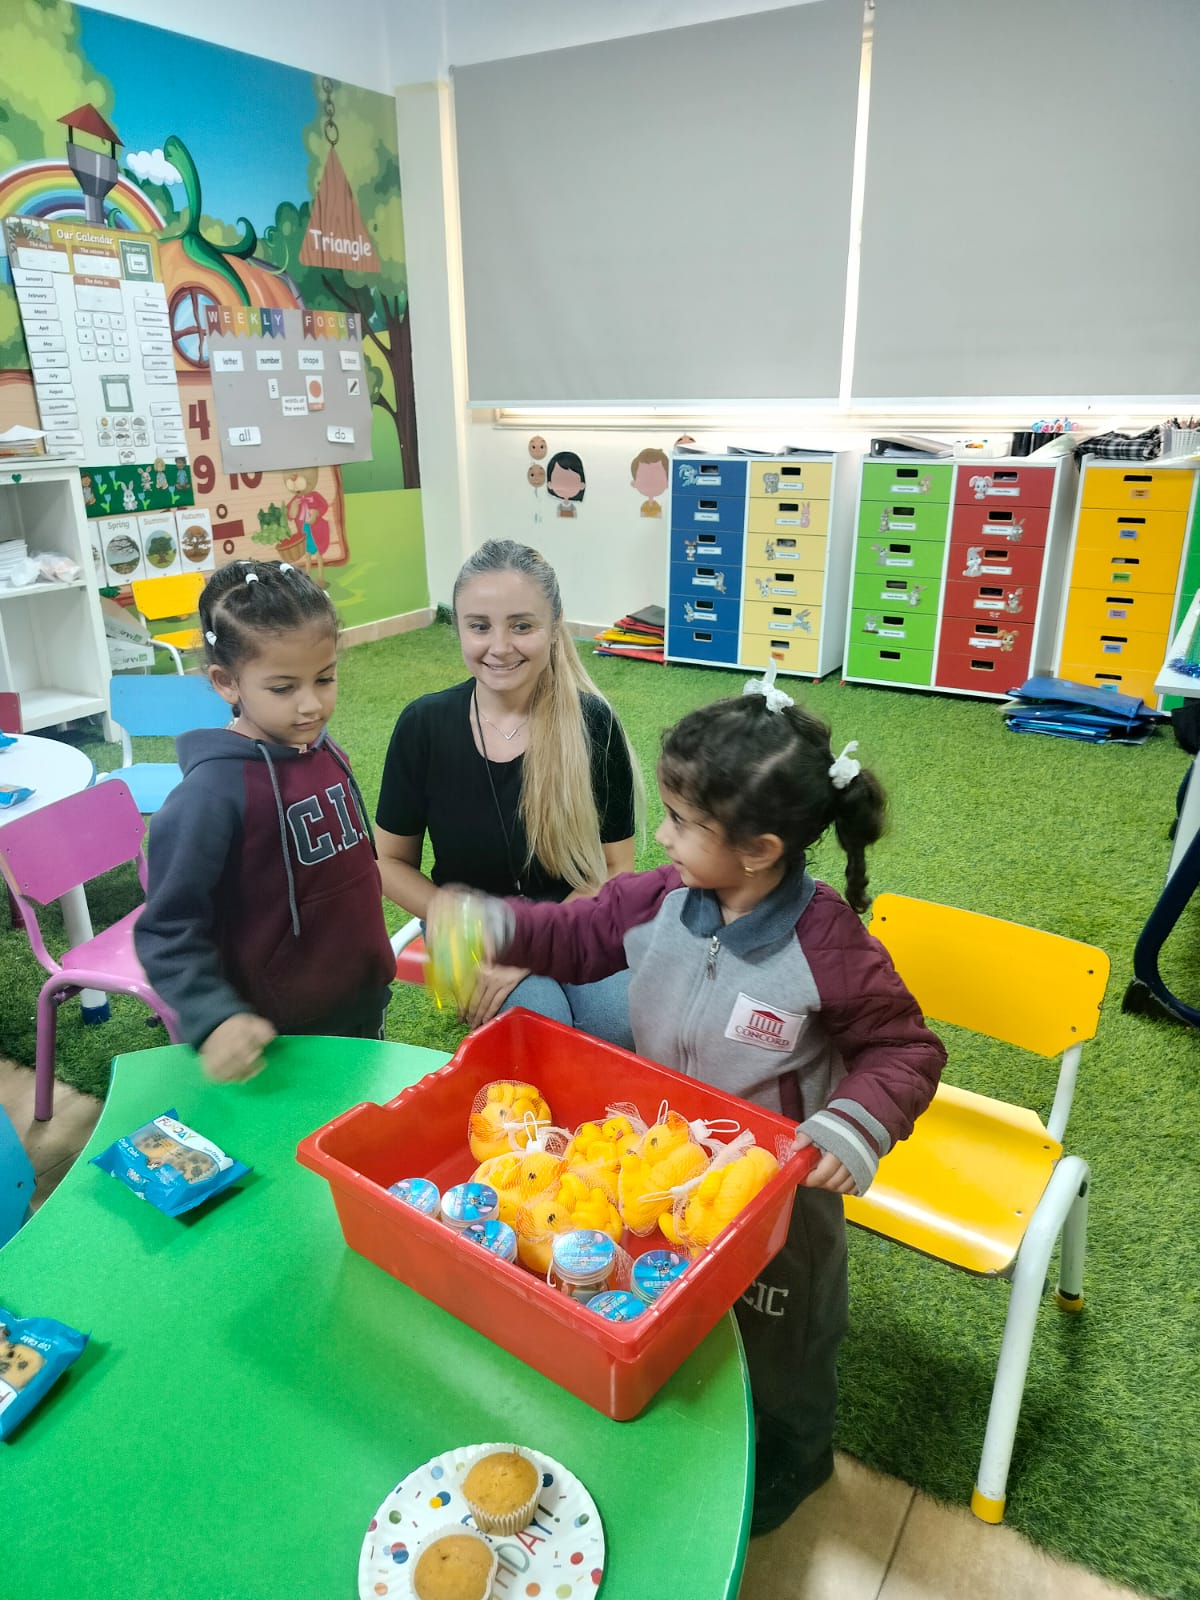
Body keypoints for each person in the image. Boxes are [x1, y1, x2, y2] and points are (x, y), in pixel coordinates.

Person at [426, 668, 945, 1535]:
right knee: (678, 1303)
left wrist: (847, 1127)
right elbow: (575, 933)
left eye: (681, 821)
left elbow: (905, 1047)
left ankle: (796, 1453)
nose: (660, 835)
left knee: (784, 1336)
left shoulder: (825, 943)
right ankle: (696, 1403)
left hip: (778, 1192)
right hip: (668, 1162)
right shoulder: (661, 899)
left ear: (759, 850)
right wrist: (495, 924)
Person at [134, 559, 395, 1083]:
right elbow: (168, 928)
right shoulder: (208, 795)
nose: (311, 705)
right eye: (283, 688)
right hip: (277, 1034)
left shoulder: (326, 752)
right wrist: (214, 1017)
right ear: (226, 682)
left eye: (325, 678)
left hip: (362, 1002)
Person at [375, 539, 642, 1040]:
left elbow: (613, 867)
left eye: (521, 626)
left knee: (621, 1025)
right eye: (479, 626)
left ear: (554, 628)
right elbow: (388, 862)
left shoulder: (592, 722)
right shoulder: (423, 726)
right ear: (458, 627)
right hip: (471, 927)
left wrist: (532, 947)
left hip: (571, 914)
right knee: (541, 1028)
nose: (499, 647)